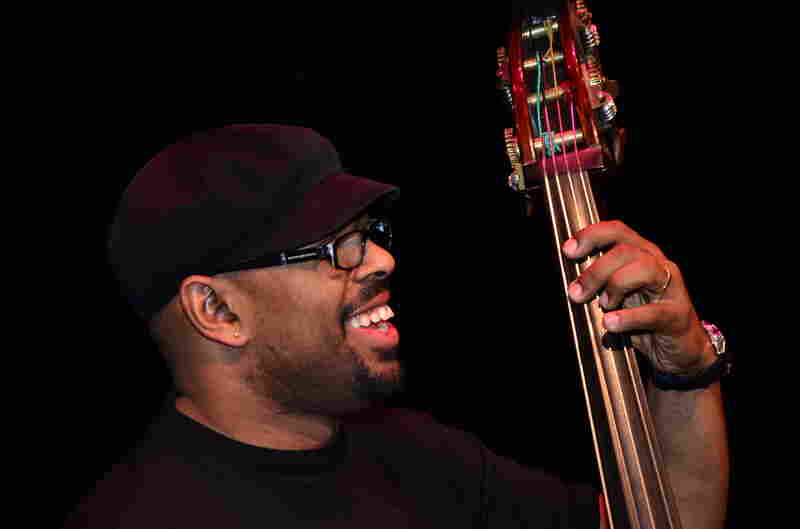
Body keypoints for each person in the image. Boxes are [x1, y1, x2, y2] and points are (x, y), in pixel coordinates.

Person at [64, 124, 729, 528]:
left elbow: (663, 522)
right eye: (334, 246)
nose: (383, 258)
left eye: (370, 234)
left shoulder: (415, 457)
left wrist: (685, 366)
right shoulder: (137, 517)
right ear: (218, 311)